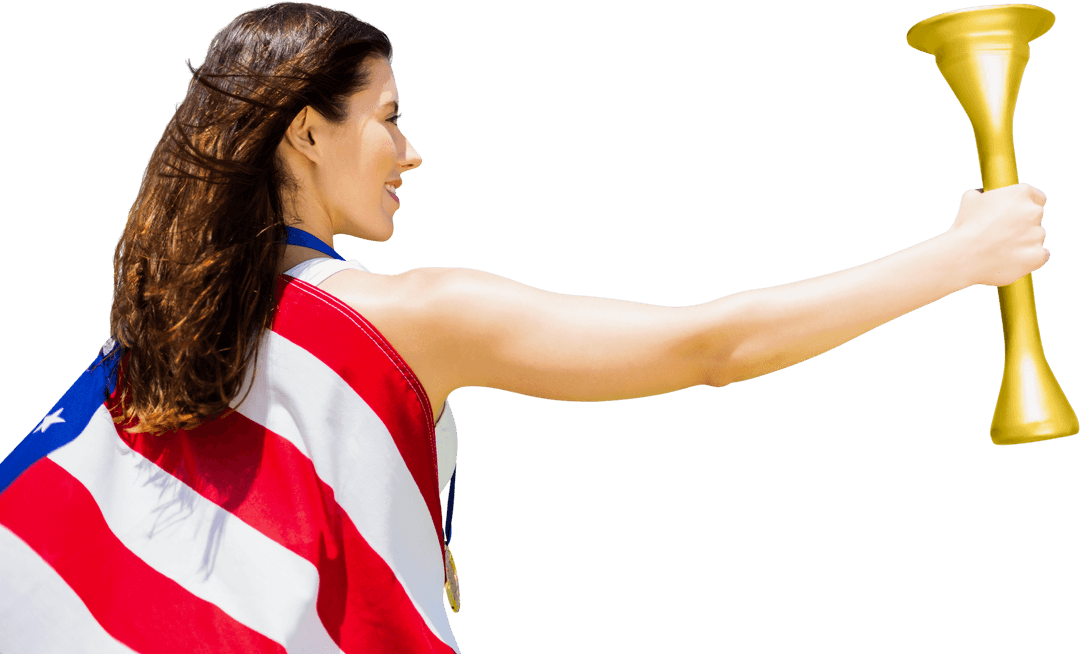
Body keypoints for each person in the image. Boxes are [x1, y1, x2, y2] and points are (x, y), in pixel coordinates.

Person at [0, 2, 1052, 653]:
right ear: (307, 132)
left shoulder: (152, 348)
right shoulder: (405, 317)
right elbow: (709, 348)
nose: (414, 154)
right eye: (392, 119)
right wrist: (954, 260)